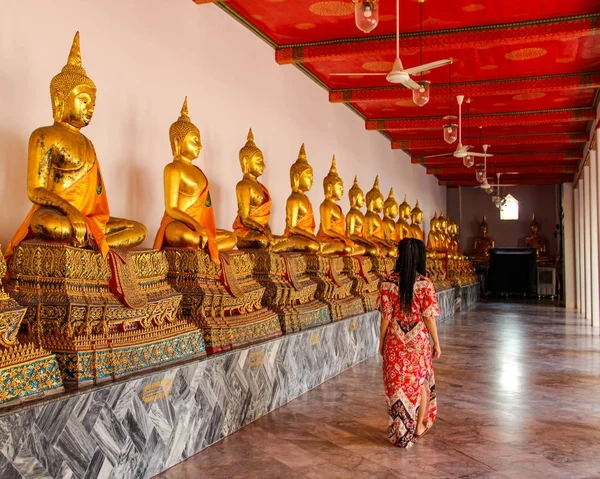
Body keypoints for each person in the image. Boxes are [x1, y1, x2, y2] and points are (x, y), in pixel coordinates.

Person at [377, 238, 441, 448]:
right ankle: (418, 426)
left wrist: (382, 340)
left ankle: (400, 428)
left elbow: (385, 316)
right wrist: (437, 342)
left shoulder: (387, 282)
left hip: (395, 339)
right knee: (419, 381)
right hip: (417, 340)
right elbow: (429, 317)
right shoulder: (425, 283)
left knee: (396, 385)